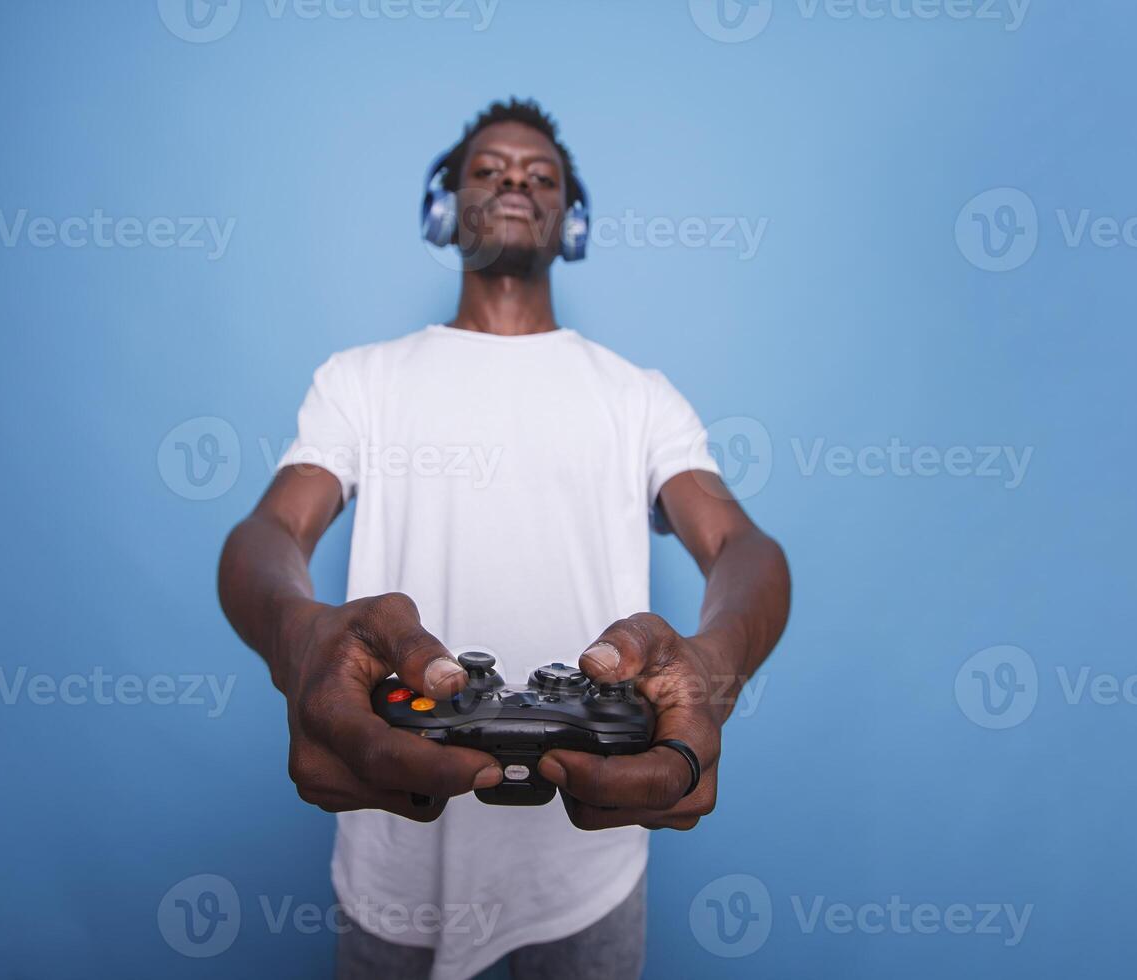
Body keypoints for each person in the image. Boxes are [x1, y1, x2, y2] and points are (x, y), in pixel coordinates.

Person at [218, 97, 790, 980]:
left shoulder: (637, 395)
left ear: (571, 220)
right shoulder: (360, 381)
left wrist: (716, 664)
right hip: (392, 859)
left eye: (541, 175)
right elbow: (267, 535)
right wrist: (297, 635)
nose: (516, 180)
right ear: (443, 209)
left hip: (584, 872)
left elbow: (743, 551)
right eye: (488, 170)